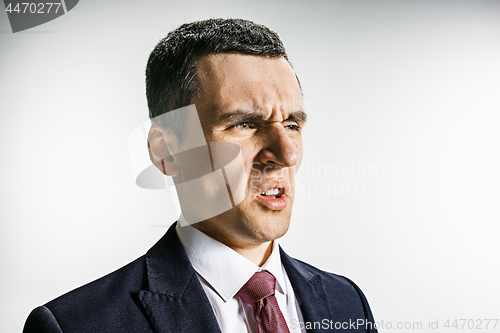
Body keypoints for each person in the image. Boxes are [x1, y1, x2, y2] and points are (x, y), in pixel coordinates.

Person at [23, 18, 377, 333]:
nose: (287, 154)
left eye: (291, 124)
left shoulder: (348, 303)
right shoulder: (75, 325)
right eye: (245, 124)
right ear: (165, 150)